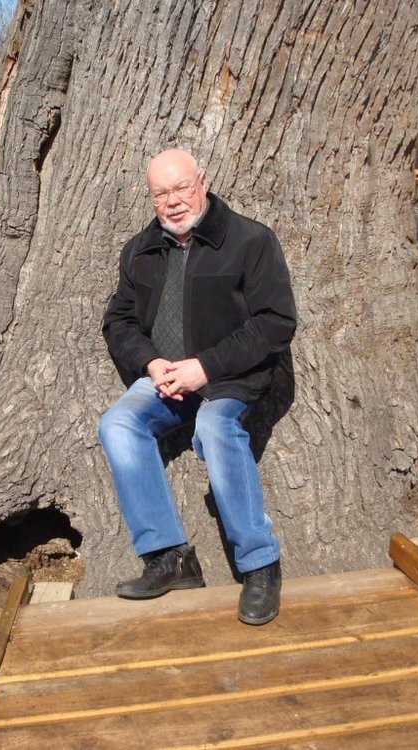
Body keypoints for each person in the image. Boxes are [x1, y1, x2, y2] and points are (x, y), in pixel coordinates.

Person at [99, 148, 297, 625]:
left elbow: (276, 322)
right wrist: (150, 363)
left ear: (202, 182)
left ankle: (259, 564)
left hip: (231, 377)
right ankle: (169, 558)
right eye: (160, 193)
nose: (173, 201)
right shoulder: (140, 250)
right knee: (118, 423)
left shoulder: (250, 241)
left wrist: (205, 368)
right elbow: (118, 320)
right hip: (166, 381)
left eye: (181, 187)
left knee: (214, 427)